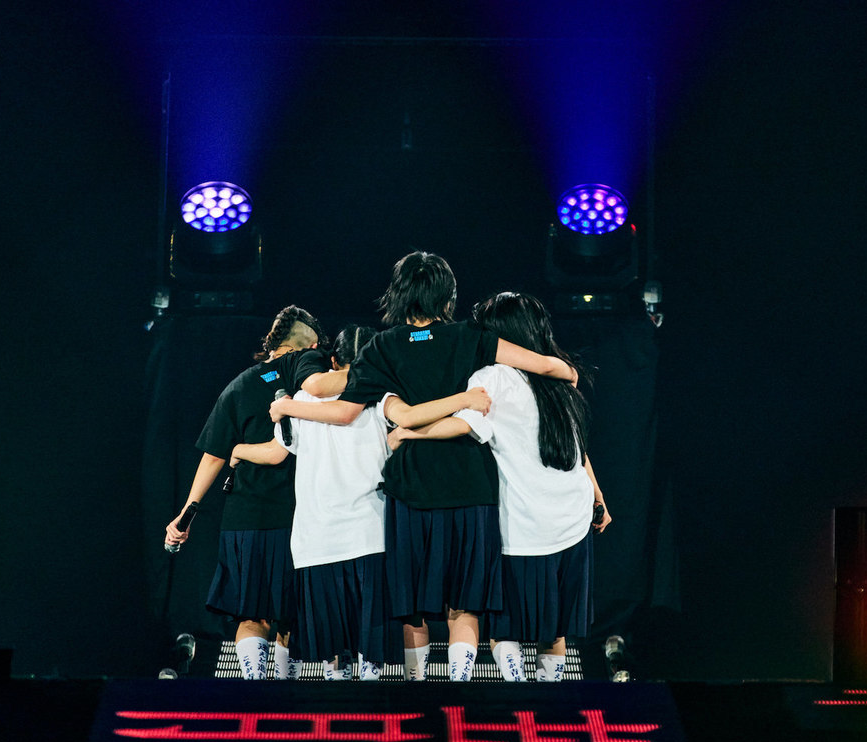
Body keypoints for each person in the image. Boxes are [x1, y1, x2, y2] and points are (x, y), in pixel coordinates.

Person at [268, 252, 578, 681]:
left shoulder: (381, 346)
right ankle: (459, 688)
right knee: (464, 603)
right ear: (447, 295)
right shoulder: (470, 337)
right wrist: (568, 373)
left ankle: (419, 687)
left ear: (398, 295)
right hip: (472, 488)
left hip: (411, 492)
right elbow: (546, 365)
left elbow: (342, 412)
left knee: (412, 604)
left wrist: (285, 405)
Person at [230, 325, 493, 680]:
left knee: (333, 656)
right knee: (371, 657)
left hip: (316, 543)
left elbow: (278, 452)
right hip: (370, 538)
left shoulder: (298, 401)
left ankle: (336, 724)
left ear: (333, 359)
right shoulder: (382, 398)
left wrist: (238, 448)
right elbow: (407, 425)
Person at [388, 291, 611, 682]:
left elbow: (465, 424)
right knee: (554, 627)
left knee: (504, 626)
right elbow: (579, 451)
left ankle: (515, 689)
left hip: (523, 526)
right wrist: (599, 498)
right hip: (572, 522)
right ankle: (549, 698)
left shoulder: (492, 377)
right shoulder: (559, 380)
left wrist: (408, 431)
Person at [164, 305, 335, 680]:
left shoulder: (237, 385)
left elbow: (213, 457)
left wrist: (185, 513)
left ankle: (256, 691)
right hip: (296, 515)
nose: (319, 349)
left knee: (250, 612)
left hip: (245, 518)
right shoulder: (306, 367)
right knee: (292, 612)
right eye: (313, 344)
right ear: (296, 347)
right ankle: (283, 692)